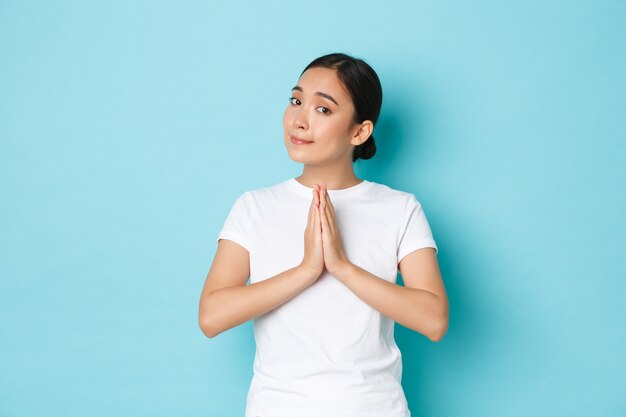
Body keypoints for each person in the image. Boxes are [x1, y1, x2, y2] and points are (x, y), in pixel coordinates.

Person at [198, 52, 449, 417]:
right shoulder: (254, 206)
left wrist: (342, 266)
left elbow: (434, 320)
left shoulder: (399, 208)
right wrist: (305, 270)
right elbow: (211, 316)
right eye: (296, 101)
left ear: (359, 131)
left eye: (323, 110)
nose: (299, 120)